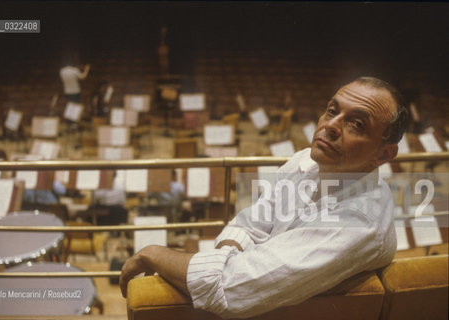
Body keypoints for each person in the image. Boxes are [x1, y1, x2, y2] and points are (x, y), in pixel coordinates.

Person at [119, 77, 408, 318]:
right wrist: (227, 256)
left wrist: (153, 254)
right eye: (332, 110)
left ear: (383, 154)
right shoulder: (306, 161)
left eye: (356, 124)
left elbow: (227, 289)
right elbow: (252, 222)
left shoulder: (359, 222)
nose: (331, 125)